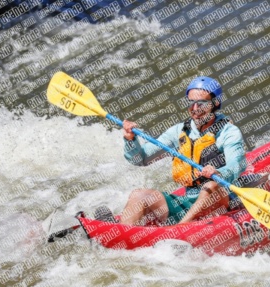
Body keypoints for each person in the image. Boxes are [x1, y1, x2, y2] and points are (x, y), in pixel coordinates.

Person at [96, 77, 247, 226]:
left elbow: (237, 164)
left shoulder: (229, 132)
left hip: (219, 200)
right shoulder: (179, 131)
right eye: (191, 103)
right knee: (140, 195)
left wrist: (218, 173)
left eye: (201, 103)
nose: (195, 109)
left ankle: (179, 230)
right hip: (188, 201)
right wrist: (130, 140)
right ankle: (122, 232)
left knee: (211, 186)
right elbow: (140, 159)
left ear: (215, 103)